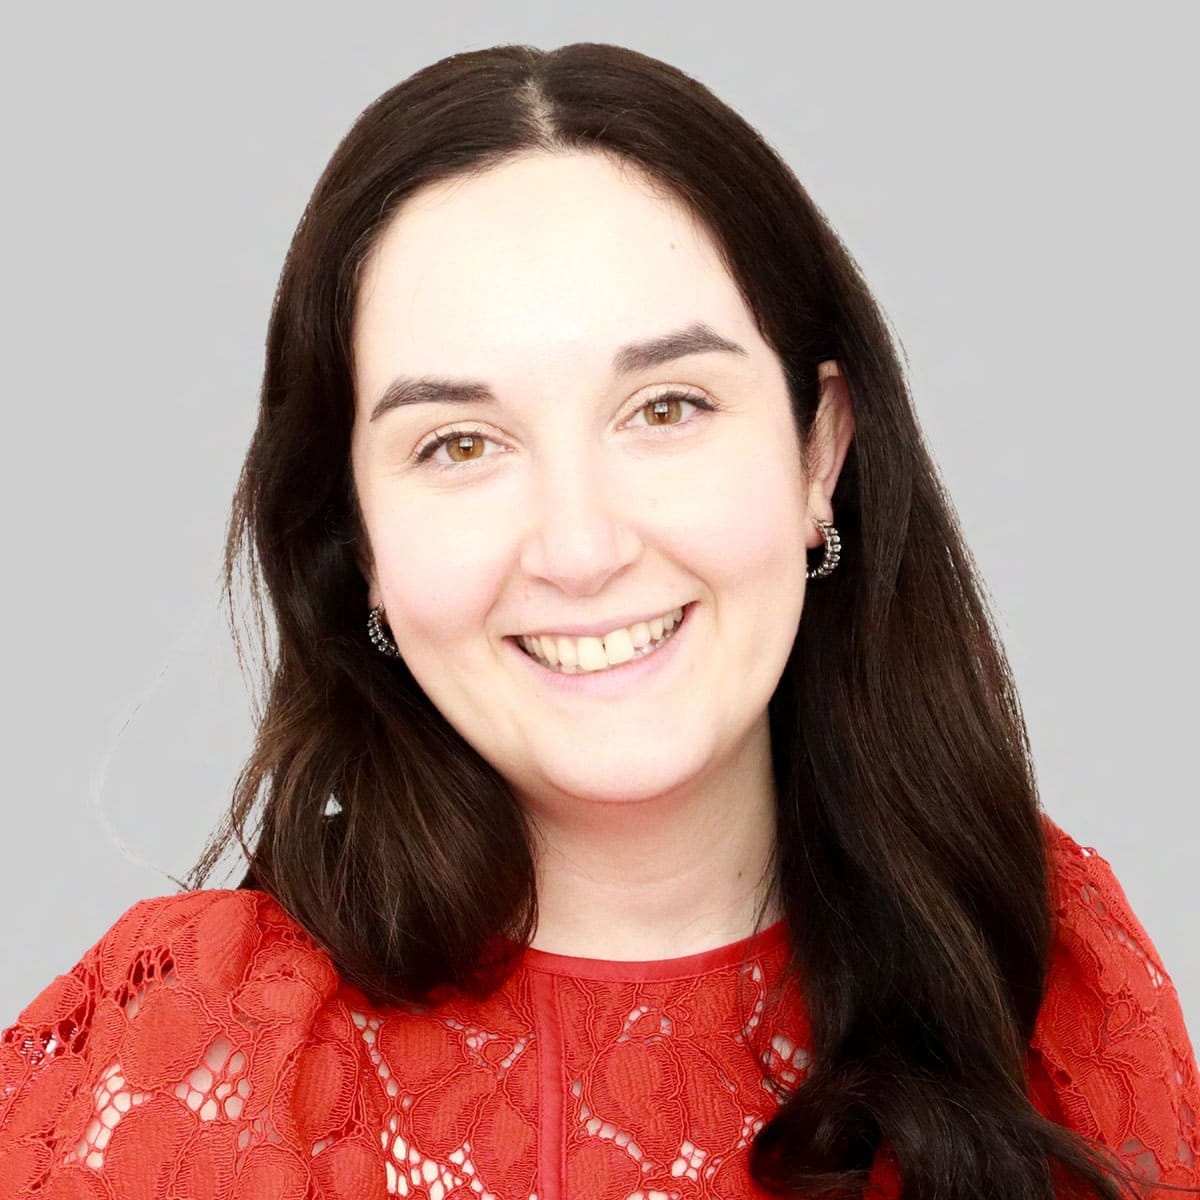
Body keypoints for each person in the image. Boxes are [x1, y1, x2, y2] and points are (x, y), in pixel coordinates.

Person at [1, 41, 1197, 1200]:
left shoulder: (1053, 980)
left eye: (667, 408)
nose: (580, 550)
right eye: (459, 444)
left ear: (818, 452)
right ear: (358, 537)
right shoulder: (189, 1061)